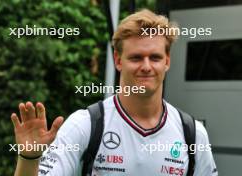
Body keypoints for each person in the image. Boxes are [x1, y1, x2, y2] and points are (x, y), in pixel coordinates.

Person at [11, 9, 218, 176]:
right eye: (136, 58)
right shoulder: (84, 126)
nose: (146, 66)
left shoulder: (193, 134)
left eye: (155, 57)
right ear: (118, 61)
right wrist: (29, 158)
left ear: (167, 61)